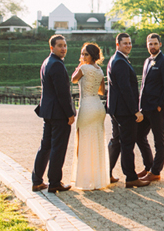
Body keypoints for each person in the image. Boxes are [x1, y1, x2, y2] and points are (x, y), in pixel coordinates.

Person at [32, 35, 76, 193]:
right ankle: (55, 182)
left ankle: (37, 181)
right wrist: (70, 114)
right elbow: (62, 93)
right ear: (52, 47)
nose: (63, 48)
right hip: (58, 114)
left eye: (65, 45)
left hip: (48, 112)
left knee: (46, 146)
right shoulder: (57, 65)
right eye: (60, 46)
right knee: (58, 148)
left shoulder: (47, 62)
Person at [106, 33, 149, 188]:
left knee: (119, 142)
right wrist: (135, 110)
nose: (128, 45)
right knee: (127, 144)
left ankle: (108, 172)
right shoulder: (120, 62)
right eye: (125, 43)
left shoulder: (116, 60)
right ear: (118, 44)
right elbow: (125, 89)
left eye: (130, 43)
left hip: (117, 109)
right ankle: (131, 177)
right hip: (124, 111)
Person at [70, 43, 110, 190]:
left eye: (85, 54)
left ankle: (85, 179)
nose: (83, 56)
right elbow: (102, 91)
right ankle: (98, 179)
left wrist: (80, 65)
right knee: (97, 141)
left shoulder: (83, 68)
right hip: (98, 107)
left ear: (92, 55)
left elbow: (73, 79)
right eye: (82, 54)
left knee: (84, 142)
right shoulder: (99, 70)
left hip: (87, 106)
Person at [136, 33, 164, 183]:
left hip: (156, 108)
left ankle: (156, 171)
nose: (152, 46)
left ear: (160, 45)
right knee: (139, 136)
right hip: (145, 108)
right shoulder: (147, 61)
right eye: (150, 44)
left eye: (155, 44)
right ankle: (149, 166)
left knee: (159, 141)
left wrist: (160, 105)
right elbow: (144, 85)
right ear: (147, 45)